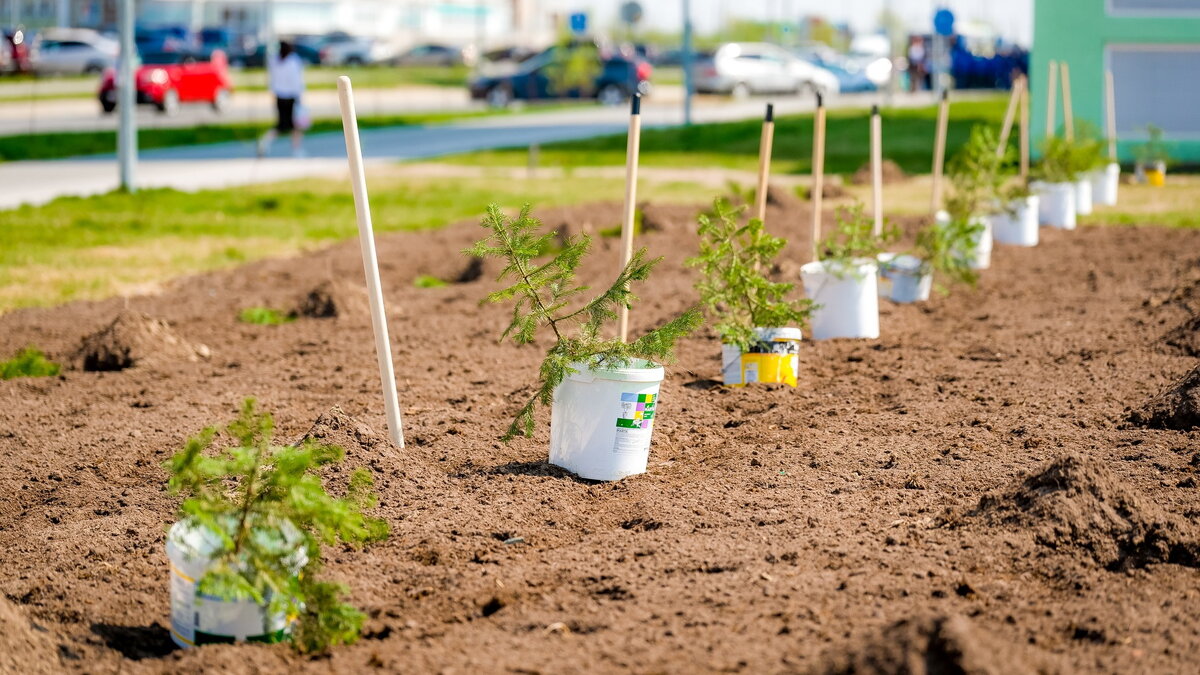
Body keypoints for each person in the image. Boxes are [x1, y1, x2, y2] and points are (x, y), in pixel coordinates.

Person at [257, 41, 305, 158]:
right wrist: (300, 96)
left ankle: (264, 142)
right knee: (295, 125)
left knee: (281, 125)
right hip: (291, 96)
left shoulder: (274, 61)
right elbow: (296, 81)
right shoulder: (293, 61)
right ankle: (296, 150)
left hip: (279, 96)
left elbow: (271, 79)